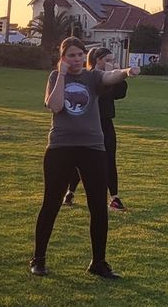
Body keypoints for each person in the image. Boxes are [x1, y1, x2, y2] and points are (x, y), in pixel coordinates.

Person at [32, 37, 135, 278]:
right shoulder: (55, 77)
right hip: (61, 147)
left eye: (80, 55)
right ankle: (38, 259)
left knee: (98, 206)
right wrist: (62, 75)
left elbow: (110, 77)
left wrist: (127, 71)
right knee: (51, 204)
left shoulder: (93, 77)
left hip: (92, 148)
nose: (77, 59)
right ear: (63, 58)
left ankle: (98, 262)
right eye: (71, 55)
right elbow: (55, 106)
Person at [62, 47, 129, 212]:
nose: (111, 63)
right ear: (97, 60)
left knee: (109, 160)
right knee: (80, 161)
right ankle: (69, 192)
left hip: (105, 123)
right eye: (107, 60)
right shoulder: (89, 77)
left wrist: (117, 75)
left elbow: (121, 93)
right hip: (88, 124)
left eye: (112, 60)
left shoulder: (110, 77)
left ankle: (114, 198)